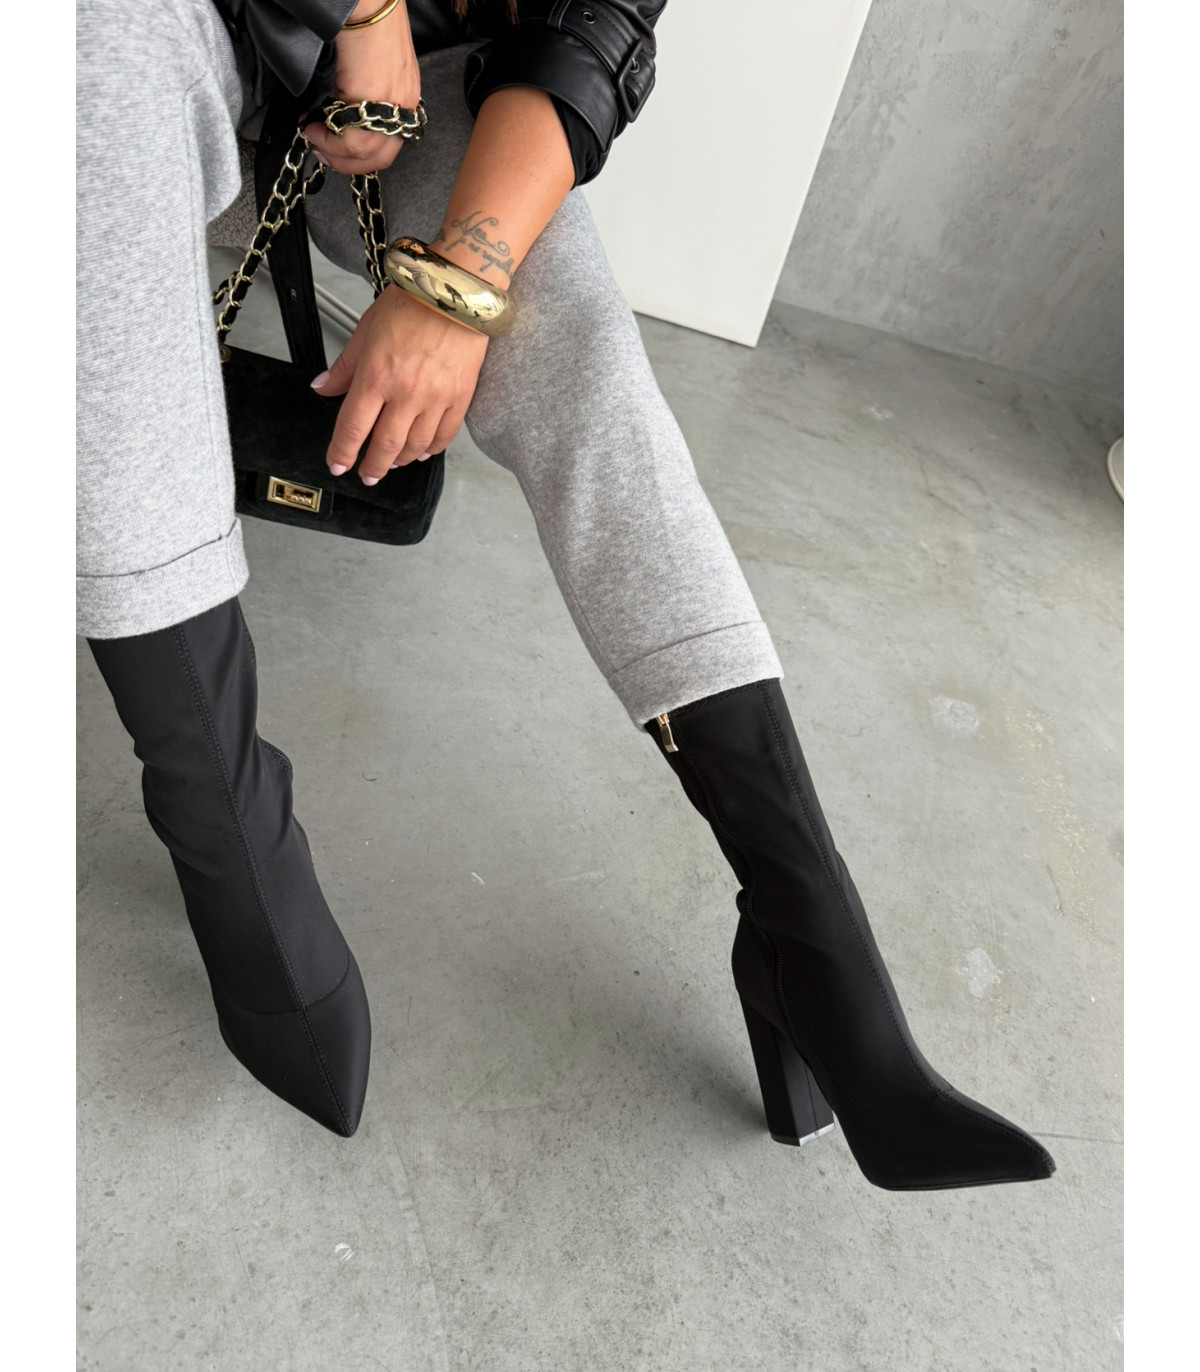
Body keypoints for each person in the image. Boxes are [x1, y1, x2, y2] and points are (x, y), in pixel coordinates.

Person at [77, 0, 1054, 1190]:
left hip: (410, 81)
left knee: (564, 328)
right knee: (92, 74)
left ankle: (810, 929)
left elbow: (594, 26)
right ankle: (228, 832)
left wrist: (460, 281)